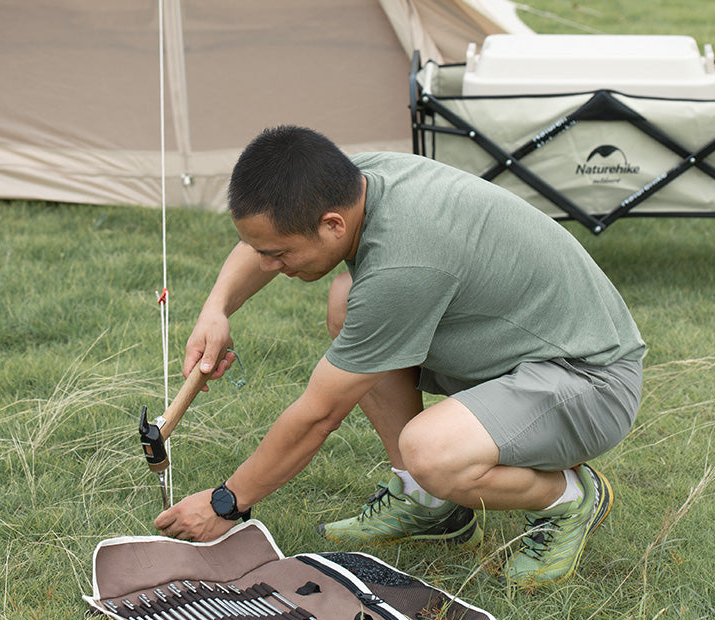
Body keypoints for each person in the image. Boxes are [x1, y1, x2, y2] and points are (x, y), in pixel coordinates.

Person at [154, 125, 645, 586]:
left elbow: (318, 415)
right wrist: (216, 310)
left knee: (430, 450)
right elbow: (262, 238)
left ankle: (569, 497)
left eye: (280, 254)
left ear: (332, 224)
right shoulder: (351, 180)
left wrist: (227, 503)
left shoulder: (404, 263)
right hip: (518, 356)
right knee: (348, 301)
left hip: (589, 382)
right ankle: (429, 504)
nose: (268, 265)